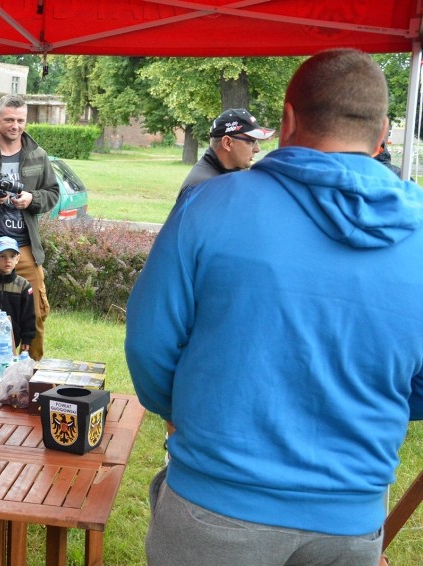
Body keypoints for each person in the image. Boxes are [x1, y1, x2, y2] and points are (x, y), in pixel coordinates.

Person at [125, 48, 423, 566]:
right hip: (351, 521)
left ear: (286, 120)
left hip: (215, 503)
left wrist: (190, 413)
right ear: (382, 135)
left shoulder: (209, 206)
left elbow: (150, 347)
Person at [0, 94, 59, 360]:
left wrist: (32, 199)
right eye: (9, 120)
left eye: (20, 120)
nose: (15, 126)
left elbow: (52, 193)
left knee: (36, 312)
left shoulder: (38, 155)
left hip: (24, 247)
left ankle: (32, 376)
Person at [177, 108, 274, 199]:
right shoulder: (202, 187)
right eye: (251, 141)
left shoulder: (229, 173)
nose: (257, 149)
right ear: (227, 143)